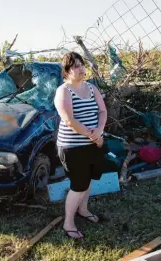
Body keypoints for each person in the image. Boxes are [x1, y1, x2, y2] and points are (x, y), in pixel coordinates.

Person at [54, 52, 107, 239]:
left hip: (92, 143)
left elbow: (102, 110)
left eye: (82, 64)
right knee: (78, 184)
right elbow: (69, 121)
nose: (81, 69)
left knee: (88, 179)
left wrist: (99, 130)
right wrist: (94, 136)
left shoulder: (92, 88)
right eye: (75, 66)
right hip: (72, 147)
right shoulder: (63, 91)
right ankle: (68, 224)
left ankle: (83, 210)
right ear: (67, 71)